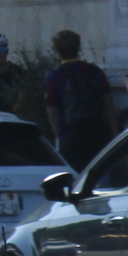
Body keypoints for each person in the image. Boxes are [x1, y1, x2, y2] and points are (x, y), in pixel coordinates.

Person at [42, 31, 114, 169]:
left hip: (70, 137)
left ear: (57, 50)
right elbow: (108, 104)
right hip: (96, 133)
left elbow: (52, 112)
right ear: (79, 47)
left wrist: (59, 136)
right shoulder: (95, 71)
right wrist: (114, 131)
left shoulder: (55, 77)